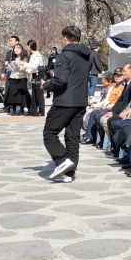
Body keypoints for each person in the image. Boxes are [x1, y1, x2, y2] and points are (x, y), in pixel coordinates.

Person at [43, 26, 91, 183]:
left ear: (65, 39)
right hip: (80, 101)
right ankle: (69, 173)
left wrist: (46, 84)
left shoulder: (64, 56)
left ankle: (63, 161)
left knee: (49, 133)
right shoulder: (86, 55)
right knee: (72, 136)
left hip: (65, 101)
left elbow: (61, 80)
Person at [5, 43, 32, 116]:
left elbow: (26, 68)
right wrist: (7, 65)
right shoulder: (12, 58)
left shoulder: (25, 58)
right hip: (13, 77)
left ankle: (21, 109)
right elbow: (10, 69)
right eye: (15, 48)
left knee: (21, 94)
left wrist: (19, 66)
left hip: (22, 78)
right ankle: (13, 109)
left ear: (22, 50)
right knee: (13, 94)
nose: (17, 50)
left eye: (18, 48)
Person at [0, 35, 19, 113]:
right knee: (7, 90)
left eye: (11, 40)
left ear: (17, 42)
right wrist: (3, 72)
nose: (10, 42)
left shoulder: (22, 51)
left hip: (18, 75)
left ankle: (23, 105)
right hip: (10, 74)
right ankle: (6, 106)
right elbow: (5, 63)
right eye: (9, 41)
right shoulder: (9, 53)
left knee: (18, 91)